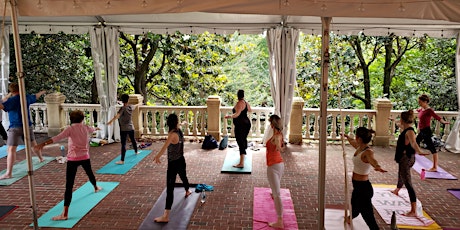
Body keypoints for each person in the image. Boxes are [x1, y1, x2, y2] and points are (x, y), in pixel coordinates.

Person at [34, 110, 102, 221]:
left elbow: (57, 138)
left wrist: (42, 144)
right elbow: (92, 129)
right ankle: (96, 187)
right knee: (90, 174)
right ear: (82, 119)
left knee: (69, 186)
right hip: (85, 157)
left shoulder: (70, 129)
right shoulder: (85, 127)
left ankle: (65, 214)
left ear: (71, 119)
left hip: (73, 159)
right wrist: (97, 129)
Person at [343, 127, 386, 230]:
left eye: (356, 136)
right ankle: (350, 218)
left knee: (369, 218)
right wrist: (347, 137)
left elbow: (373, 160)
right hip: (358, 187)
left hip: (364, 189)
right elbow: (353, 142)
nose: (355, 138)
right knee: (354, 207)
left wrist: (377, 166)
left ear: (359, 138)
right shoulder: (359, 147)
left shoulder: (368, 152)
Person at [0, 83, 46, 180]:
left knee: (11, 149)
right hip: (27, 125)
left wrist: (6, 97)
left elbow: (1, 105)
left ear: (12, 91)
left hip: (15, 127)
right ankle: (41, 158)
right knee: (33, 144)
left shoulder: (11, 100)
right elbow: (36, 96)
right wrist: (42, 92)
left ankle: (9, 173)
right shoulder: (26, 97)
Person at [153, 113, 191, 223]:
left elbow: (164, 147)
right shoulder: (178, 130)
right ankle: (187, 190)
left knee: (170, 188)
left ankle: (166, 216)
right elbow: (180, 124)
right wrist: (184, 123)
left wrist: (157, 156)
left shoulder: (172, 134)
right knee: (183, 176)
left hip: (173, 163)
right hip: (181, 160)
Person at [391, 110, 430, 217]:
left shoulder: (409, 131)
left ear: (403, 119)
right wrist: (393, 121)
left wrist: (420, 151)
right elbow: (399, 124)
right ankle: (397, 189)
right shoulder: (405, 128)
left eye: (400, 119)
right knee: (401, 174)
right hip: (403, 158)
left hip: (406, 158)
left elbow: (413, 143)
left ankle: (413, 210)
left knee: (408, 183)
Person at [416, 94, 449, 172]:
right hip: (421, 131)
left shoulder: (429, 110)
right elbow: (418, 111)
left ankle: (434, 167)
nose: (419, 103)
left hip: (426, 131)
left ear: (425, 102)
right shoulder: (421, 109)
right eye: (419, 102)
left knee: (432, 148)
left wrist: (443, 122)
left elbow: (436, 117)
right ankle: (412, 158)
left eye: (420, 102)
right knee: (415, 142)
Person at [265, 115, 285, 228]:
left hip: (273, 167)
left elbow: (277, 143)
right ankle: (274, 192)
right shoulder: (279, 134)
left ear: (272, 124)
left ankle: (280, 221)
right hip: (280, 164)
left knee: (277, 195)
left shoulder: (276, 136)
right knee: (275, 192)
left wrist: (278, 146)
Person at [107, 94, 139, 165]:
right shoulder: (130, 107)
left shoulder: (123, 108)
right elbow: (136, 105)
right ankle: (136, 151)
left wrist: (110, 122)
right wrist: (140, 103)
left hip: (124, 128)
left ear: (122, 101)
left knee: (123, 144)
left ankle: (122, 160)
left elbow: (117, 116)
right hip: (131, 127)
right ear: (128, 100)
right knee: (133, 140)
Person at [224, 89, 252, 168]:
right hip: (247, 123)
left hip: (241, 124)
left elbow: (237, 114)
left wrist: (229, 116)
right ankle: (244, 154)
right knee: (243, 139)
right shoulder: (246, 103)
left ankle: (241, 163)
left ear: (238, 95)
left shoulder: (239, 103)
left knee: (240, 141)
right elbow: (250, 110)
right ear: (243, 95)